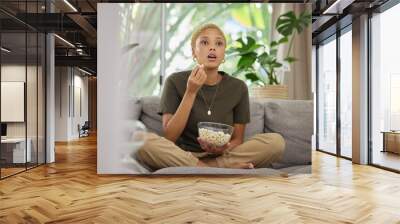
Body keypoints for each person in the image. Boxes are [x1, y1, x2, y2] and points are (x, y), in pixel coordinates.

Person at [137, 23, 285, 170]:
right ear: (194, 52)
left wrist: (222, 150)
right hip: (183, 155)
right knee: (140, 139)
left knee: (276, 142)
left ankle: (206, 167)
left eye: (219, 43)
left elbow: (237, 139)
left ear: (223, 54)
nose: (212, 47)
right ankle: (214, 169)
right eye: (204, 42)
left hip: (222, 156)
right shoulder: (175, 81)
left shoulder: (238, 87)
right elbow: (169, 137)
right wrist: (191, 92)